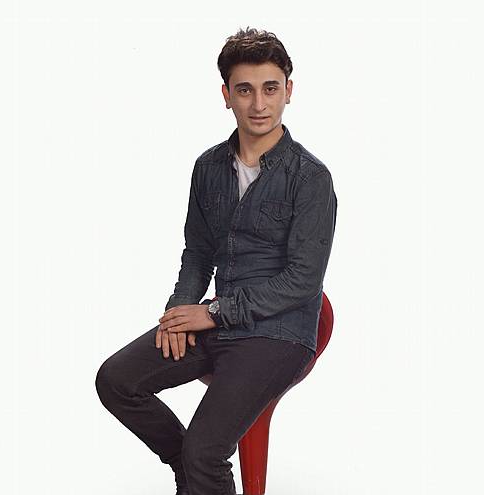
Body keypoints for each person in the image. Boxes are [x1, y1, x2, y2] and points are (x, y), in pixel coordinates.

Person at [95, 26, 338, 495]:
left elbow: (303, 280)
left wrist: (212, 312)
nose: (259, 104)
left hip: (278, 333)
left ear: (289, 91)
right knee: (116, 381)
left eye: (270, 88)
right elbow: (198, 253)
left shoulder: (310, 177)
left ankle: (196, 469)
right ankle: (188, 473)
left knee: (206, 451)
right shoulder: (208, 167)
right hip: (219, 325)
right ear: (226, 95)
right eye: (244, 90)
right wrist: (177, 314)